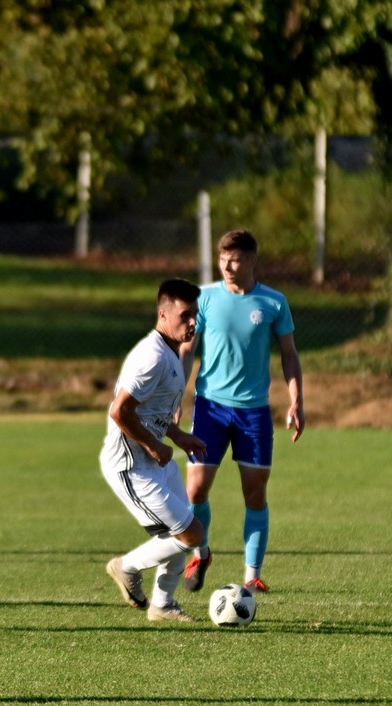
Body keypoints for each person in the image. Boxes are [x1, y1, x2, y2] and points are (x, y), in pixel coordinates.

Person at [179, 229, 304, 595]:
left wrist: (296, 399)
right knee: (196, 490)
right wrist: (175, 399)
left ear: (252, 261)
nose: (228, 266)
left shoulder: (273, 303)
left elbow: (289, 354)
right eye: (223, 259)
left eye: (235, 259)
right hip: (209, 408)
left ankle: (252, 574)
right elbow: (187, 352)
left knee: (255, 494)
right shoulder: (203, 298)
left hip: (253, 413)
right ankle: (201, 554)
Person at [101, 278, 209, 622]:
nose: (192, 322)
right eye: (186, 314)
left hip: (155, 459)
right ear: (163, 314)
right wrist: (154, 445)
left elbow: (152, 412)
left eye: (196, 315)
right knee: (190, 533)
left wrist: (176, 436)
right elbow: (119, 411)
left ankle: (162, 605)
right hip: (131, 465)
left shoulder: (171, 353)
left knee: (181, 534)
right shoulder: (152, 357)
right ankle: (126, 567)